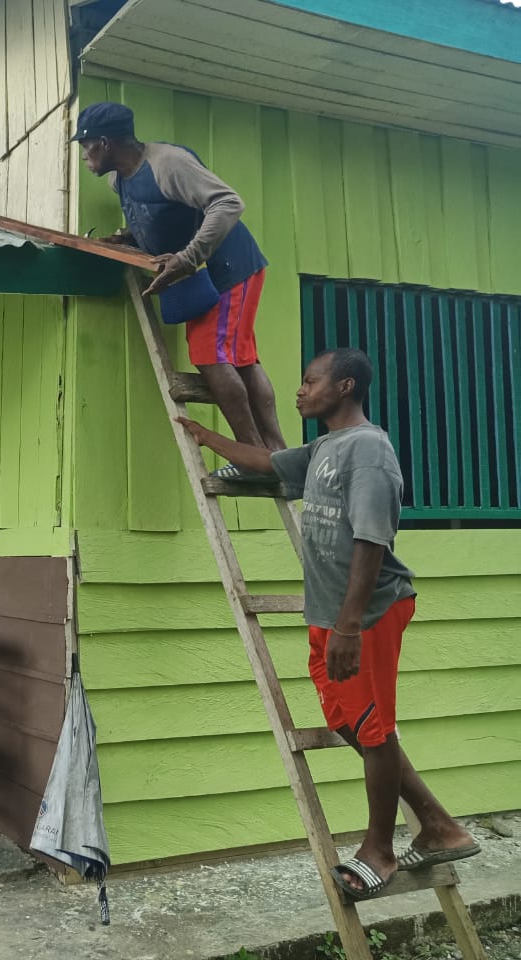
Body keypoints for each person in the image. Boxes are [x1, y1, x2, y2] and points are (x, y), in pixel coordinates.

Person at [176, 349, 478, 900]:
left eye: (310, 381)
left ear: (344, 387)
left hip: (367, 612)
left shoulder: (369, 450)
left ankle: (380, 851)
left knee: (374, 728)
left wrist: (347, 626)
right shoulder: (323, 448)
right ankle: (438, 825)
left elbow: (371, 539)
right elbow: (269, 463)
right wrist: (205, 436)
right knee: (345, 720)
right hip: (330, 614)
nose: (299, 390)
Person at [75, 101, 286, 476]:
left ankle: (253, 458)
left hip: (228, 267)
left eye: (85, 146)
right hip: (204, 275)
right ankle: (275, 455)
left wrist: (187, 259)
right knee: (240, 357)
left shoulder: (168, 164)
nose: (84, 155)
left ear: (104, 142)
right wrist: (127, 238)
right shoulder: (118, 179)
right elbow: (161, 217)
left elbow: (228, 203)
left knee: (210, 355)